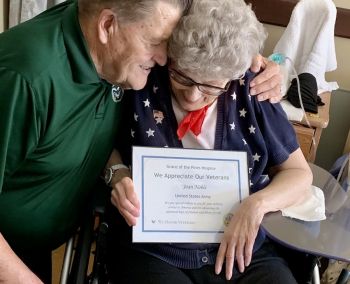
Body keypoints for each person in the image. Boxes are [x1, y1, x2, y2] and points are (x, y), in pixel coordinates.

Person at [0, 0, 281, 283]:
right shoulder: (23, 79)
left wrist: (246, 58)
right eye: (156, 42)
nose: (163, 59)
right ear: (107, 26)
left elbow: (215, 23)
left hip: (34, 247)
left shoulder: (116, 57)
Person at [105, 0, 313, 283]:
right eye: (182, 77)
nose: (192, 96)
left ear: (234, 76)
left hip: (240, 246)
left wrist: (256, 206)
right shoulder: (144, 76)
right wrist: (118, 173)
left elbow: (299, 174)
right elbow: (100, 144)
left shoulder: (252, 87)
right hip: (154, 248)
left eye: (210, 86)